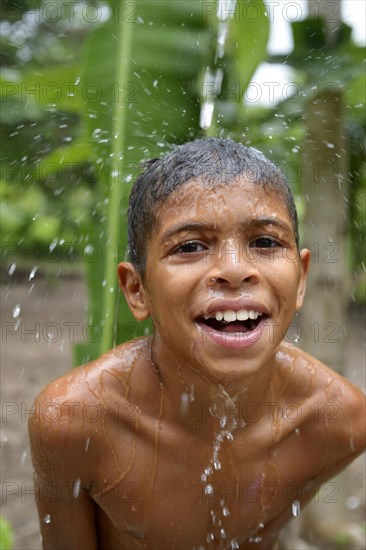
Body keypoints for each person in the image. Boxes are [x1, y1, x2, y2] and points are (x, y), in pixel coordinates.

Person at [28, 138, 365, 550]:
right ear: (137, 290)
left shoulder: (336, 420)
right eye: (190, 246)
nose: (235, 271)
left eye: (265, 242)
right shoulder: (77, 422)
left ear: (302, 278)